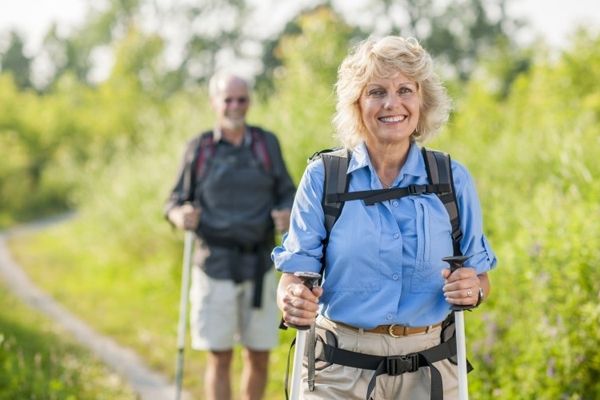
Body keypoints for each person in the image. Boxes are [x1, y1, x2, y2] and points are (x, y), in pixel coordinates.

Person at [273, 36, 497, 399]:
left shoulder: (451, 180)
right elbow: (294, 277)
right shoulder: (324, 177)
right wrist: (291, 297)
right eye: (376, 91)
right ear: (357, 104)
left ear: (422, 100)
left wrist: (473, 290)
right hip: (339, 373)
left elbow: (480, 279)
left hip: (430, 373)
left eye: (405, 89)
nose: (392, 104)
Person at [165, 71, 296, 400]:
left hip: (260, 264)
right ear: (214, 103)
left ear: (249, 102)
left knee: (259, 354)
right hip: (214, 264)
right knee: (219, 355)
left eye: (241, 99)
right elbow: (174, 201)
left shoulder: (266, 144)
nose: (235, 106)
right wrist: (180, 215)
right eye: (228, 100)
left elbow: (288, 193)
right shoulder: (200, 148)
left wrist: (286, 211)